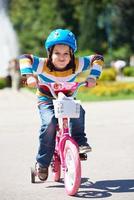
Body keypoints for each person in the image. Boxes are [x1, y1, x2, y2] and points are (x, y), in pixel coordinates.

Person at [19, 28, 104, 181]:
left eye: (66, 53)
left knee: (78, 111)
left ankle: (79, 141)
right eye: (57, 53)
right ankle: (43, 162)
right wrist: (30, 76)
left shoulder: (76, 64)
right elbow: (25, 57)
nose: (61, 57)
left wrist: (93, 76)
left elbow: (97, 58)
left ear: (72, 54)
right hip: (47, 99)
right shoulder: (43, 65)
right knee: (50, 123)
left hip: (66, 98)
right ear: (49, 53)